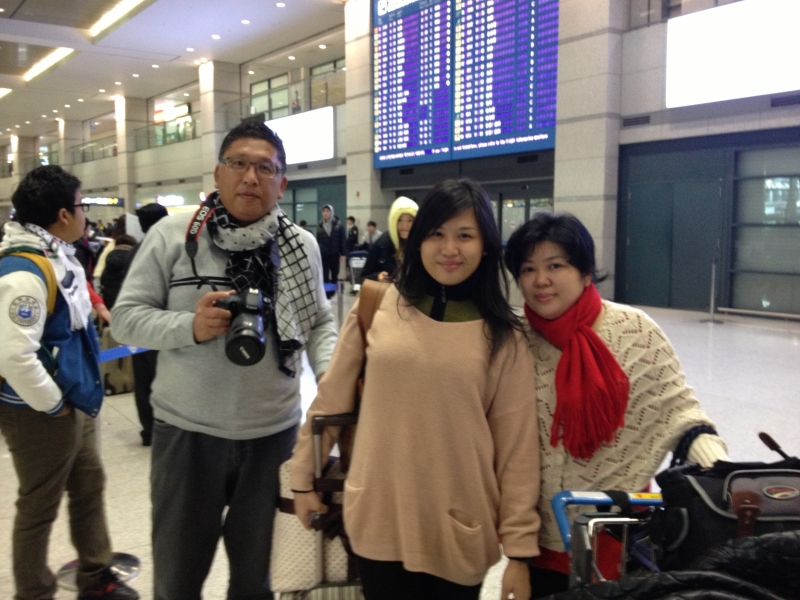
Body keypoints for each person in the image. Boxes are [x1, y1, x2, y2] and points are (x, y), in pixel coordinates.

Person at [111, 121, 338, 600]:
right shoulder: (173, 235)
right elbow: (126, 319)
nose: (250, 177)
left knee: (258, 581)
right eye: (238, 163)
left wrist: (332, 379)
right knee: (177, 579)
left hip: (274, 437)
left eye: (265, 168)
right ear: (218, 174)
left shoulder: (301, 247)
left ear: (282, 183)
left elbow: (319, 322)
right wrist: (189, 327)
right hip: (187, 435)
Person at [291, 179, 541, 600]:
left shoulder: (504, 335)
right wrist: (303, 478)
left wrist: (519, 550)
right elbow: (331, 399)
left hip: (459, 525)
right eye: (436, 233)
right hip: (379, 514)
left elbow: (517, 450)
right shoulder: (378, 304)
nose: (449, 249)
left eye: (465, 235)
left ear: (485, 245)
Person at [503, 212, 730, 598]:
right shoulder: (513, 342)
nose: (540, 280)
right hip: (536, 540)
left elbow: (679, 413)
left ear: (585, 272)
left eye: (555, 265)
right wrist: (515, 554)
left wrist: (720, 470)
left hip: (622, 533)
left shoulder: (635, 332)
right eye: (528, 269)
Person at [0, 165, 139, 600]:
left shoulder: (57, 253)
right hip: (37, 409)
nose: (85, 214)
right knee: (39, 504)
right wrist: (52, 404)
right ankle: (34, 592)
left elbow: (74, 304)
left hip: (73, 395)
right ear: (63, 214)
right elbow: (14, 356)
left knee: (88, 485)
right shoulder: (23, 271)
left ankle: (95, 574)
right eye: (81, 205)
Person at [129, 203, 169, 447]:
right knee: (162, 379)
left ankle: (148, 430)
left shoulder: (136, 250)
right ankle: (164, 428)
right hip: (161, 328)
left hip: (138, 329)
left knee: (143, 380)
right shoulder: (166, 249)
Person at [361, 196, 418, 282]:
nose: (404, 225)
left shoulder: (423, 245)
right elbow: (363, 277)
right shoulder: (382, 244)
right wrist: (378, 277)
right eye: (399, 220)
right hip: (389, 290)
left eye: (410, 220)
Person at [99, 234, 137, 309]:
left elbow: (104, 276)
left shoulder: (110, 255)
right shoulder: (133, 256)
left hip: (109, 295)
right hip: (128, 295)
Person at [316, 204, 345, 284]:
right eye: (324, 211)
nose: (325, 213)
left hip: (334, 254)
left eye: (327, 211)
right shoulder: (320, 225)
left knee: (335, 273)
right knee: (324, 274)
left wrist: (343, 253)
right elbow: (318, 240)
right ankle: (326, 290)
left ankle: (333, 289)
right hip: (324, 254)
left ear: (331, 212)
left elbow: (342, 239)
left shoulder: (338, 225)